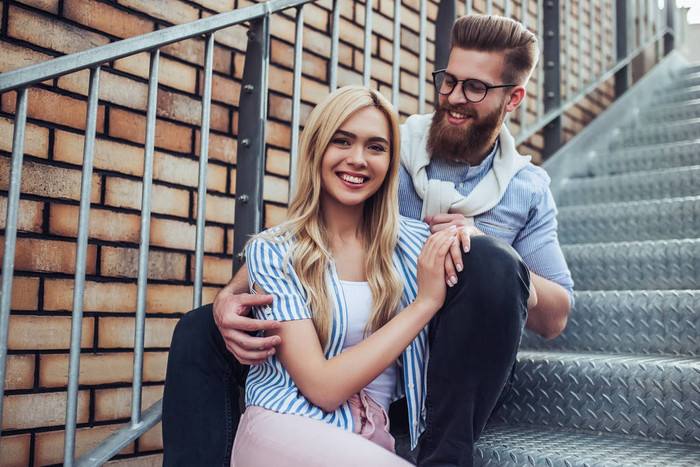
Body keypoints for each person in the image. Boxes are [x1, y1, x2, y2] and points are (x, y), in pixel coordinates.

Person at [162, 13, 573, 467]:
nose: (454, 98)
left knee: (491, 259)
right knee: (200, 330)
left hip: (451, 363)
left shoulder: (526, 187)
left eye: (474, 88)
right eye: (448, 81)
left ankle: (443, 455)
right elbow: (307, 236)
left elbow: (555, 317)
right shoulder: (386, 151)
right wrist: (230, 295)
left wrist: (484, 255)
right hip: (354, 337)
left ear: (513, 98)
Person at [232, 85, 456, 466]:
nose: (358, 159)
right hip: (282, 430)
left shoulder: (416, 244)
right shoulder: (275, 251)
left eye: (375, 147)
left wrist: (475, 238)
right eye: (343, 141)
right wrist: (425, 304)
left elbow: (512, 287)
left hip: (366, 439)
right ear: (318, 148)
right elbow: (322, 387)